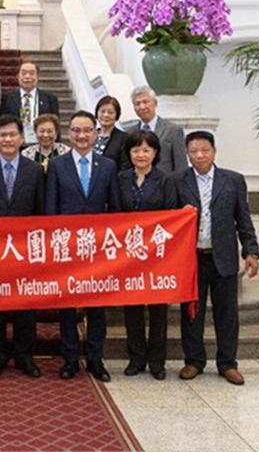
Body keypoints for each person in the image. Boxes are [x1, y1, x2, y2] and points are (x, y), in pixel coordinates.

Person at [174, 131, 259, 386]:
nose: (199, 155)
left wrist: (251, 251)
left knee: (227, 314)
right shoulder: (178, 181)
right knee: (191, 313)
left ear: (214, 151)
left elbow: (243, 219)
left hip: (222, 257)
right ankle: (193, 361)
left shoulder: (233, 180)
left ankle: (227, 363)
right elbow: (168, 219)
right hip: (192, 259)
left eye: (204, 150)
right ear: (187, 154)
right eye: (193, 151)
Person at [46, 110, 122, 382]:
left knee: (97, 307)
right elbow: (50, 209)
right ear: (69, 133)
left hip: (98, 250)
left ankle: (95, 359)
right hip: (67, 248)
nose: (81, 135)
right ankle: (69, 360)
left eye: (87, 130)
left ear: (96, 133)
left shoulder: (108, 166)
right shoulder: (57, 165)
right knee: (67, 307)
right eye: (76, 130)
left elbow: (114, 209)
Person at [0, 114, 46, 378]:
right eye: (2, 135)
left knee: (26, 306)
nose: (8, 139)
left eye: (13, 134)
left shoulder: (35, 170)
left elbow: (41, 214)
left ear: (22, 138)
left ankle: (25, 356)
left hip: (25, 252)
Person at [117, 129, 178, 381]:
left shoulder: (166, 180)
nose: (140, 155)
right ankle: (136, 358)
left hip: (157, 255)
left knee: (158, 309)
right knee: (131, 308)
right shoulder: (120, 179)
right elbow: (115, 214)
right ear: (129, 153)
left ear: (155, 153)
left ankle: (157, 361)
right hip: (128, 254)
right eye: (135, 150)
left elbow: (172, 216)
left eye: (146, 150)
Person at [125, 85, 187, 174]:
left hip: (165, 185)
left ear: (155, 103)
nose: (142, 107)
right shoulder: (129, 132)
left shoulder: (173, 131)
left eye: (145, 102)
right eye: (137, 103)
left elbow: (181, 167)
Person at [0, 61, 60, 146]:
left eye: (31, 73)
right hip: (15, 145)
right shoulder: (7, 98)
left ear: (38, 77)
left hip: (42, 145)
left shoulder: (50, 99)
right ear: (18, 76)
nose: (27, 76)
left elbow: (55, 126)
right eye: (23, 73)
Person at [94, 95, 129, 170]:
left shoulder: (124, 138)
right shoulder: (90, 135)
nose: (106, 115)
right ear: (97, 113)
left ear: (117, 115)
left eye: (110, 112)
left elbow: (125, 167)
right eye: (102, 111)